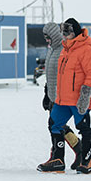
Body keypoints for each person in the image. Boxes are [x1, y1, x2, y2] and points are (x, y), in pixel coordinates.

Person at [37, 18, 91, 173]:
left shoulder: (86, 49)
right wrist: (49, 94)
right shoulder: (65, 49)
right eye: (63, 31)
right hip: (62, 99)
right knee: (54, 124)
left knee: (83, 128)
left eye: (68, 32)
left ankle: (86, 159)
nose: (65, 35)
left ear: (75, 32)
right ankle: (58, 160)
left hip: (78, 100)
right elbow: (57, 76)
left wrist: (85, 96)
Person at [38, 21, 65, 167]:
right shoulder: (52, 50)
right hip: (52, 93)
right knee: (55, 125)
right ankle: (59, 154)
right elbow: (50, 74)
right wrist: (46, 92)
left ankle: (59, 156)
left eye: (48, 37)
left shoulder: (63, 49)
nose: (47, 40)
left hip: (61, 95)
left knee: (56, 125)